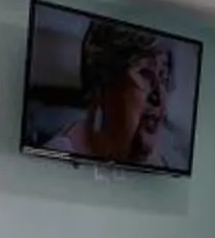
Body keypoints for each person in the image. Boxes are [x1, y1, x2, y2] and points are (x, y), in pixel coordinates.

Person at [51, 20, 178, 166]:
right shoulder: (55, 162)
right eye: (145, 73)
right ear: (103, 83)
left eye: (164, 77)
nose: (159, 96)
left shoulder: (164, 163)